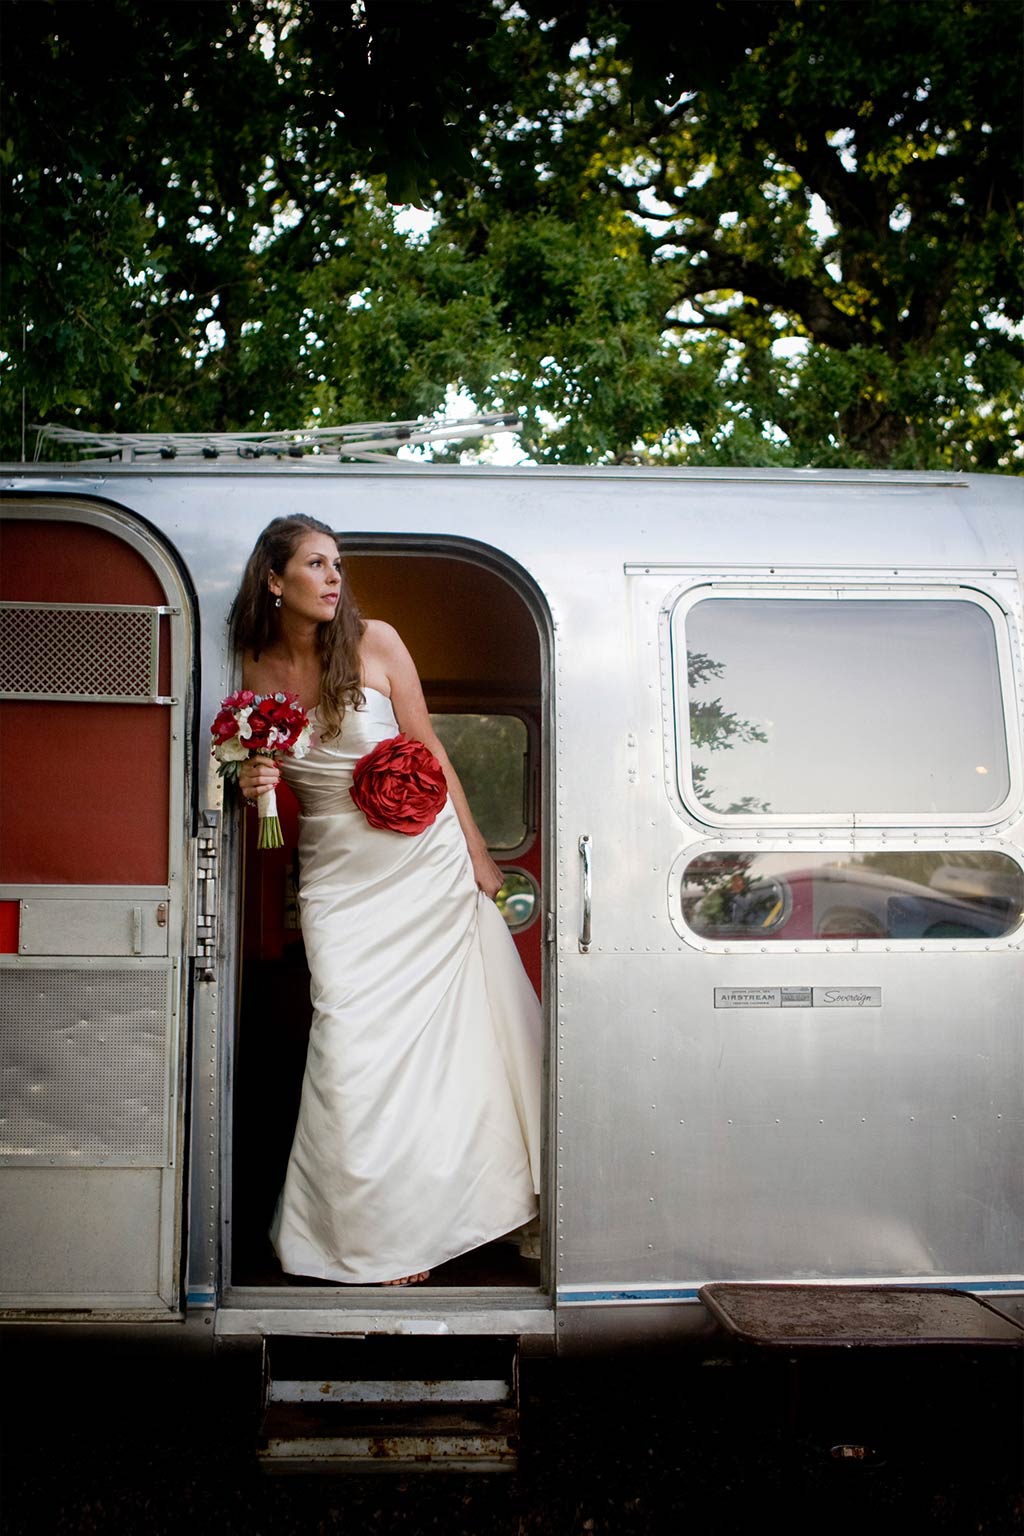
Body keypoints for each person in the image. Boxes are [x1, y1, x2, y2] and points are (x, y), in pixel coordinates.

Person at [231, 515, 541, 1286]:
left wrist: (477, 855)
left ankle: (420, 1231)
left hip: (421, 861)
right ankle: (358, 1230)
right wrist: (249, 784)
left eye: (338, 565)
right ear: (275, 580)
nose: (334, 578)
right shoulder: (251, 667)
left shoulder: (379, 643)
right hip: (336, 875)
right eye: (315, 564)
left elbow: (428, 748)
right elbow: (236, 778)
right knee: (349, 1038)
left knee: (439, 1050)